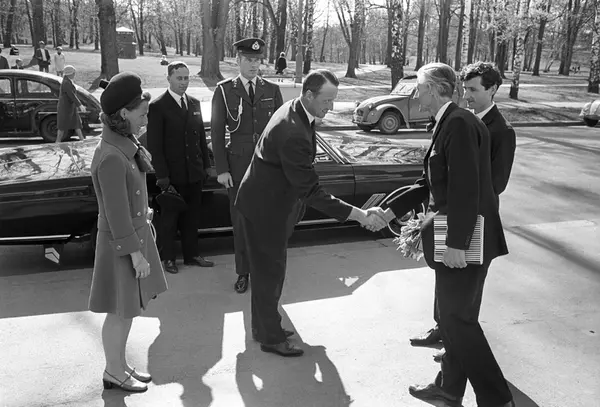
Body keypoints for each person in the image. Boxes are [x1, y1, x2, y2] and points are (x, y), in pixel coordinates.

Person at [380, 62, 514, 407]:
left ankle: (497, 399)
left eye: (419, 87)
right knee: (452, 320)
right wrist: (388, 211)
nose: (415, 93)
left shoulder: (459, 123)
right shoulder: (449, 121)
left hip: (463, 240)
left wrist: (456, 244)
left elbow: (467, 188)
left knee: (457, 320)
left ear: (434, 89)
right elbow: (431, 182)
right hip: (457, 236)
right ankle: (450, 389)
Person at [235, 69, 388, 358]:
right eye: (327, 101)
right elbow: (311, 191)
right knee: (269, 275)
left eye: (333, 99)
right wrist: (359, 214)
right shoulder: (293, 131)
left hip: (266, 203)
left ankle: (264, 327)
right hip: (265, 210)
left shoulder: (297, 109)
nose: (331, 106)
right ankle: (270, 337)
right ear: (308, 95)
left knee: (268, 272)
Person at [410, 62, 517, 364]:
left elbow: (490, 185)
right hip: (454, 219)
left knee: (463, 307)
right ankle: (445, 338)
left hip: (473, 225)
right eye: (465, 88)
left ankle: (459, 352)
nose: (467, 95)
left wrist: (459, 233)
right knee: (449, 296)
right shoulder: (457, 120)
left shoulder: (497, 130)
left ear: (492, 90)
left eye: (473, 89)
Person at [89, 71, 168, 393]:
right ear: (124, 113)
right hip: (122, 246)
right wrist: (137, 256)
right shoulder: (111, 155)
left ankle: (119, 364)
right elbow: (117, 215)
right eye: (142, 113)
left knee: (128, 311)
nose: (146, 119)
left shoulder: (122, 145)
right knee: (120, 312)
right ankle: (113, 370)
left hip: (131, 240)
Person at [211, 37, 283, 294]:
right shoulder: (224, 91)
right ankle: (243, 271)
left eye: (258, 60)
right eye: (249, 60)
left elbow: (281, 130)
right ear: (238, 60)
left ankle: (264, 269)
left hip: (267, 165)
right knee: (241, 221)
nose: (254, 65)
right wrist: (222, 169)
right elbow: (217, 133)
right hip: (238, 165)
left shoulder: (271, 90)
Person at [147, 61, 214, 274]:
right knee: (170, 219)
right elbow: (155, 145)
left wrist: (206, 166)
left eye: (186, 78)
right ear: (169, 78)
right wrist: (162, 176)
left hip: (194, 172)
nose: (183, 82)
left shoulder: (194, 103)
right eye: (179, 78)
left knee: (192, 217)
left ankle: (192, 255)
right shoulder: (158, 106)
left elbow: (201, 138)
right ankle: (168, 259)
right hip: (172, 175)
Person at [56, 65, 86, 143]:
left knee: (76, 124)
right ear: (70, 73)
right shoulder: (66, 82)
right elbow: (71, 95)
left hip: (71, 107)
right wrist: (80, 105)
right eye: (73, 73)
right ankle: (57, 142)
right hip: (65, 108)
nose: (74, 74)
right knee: (62, 127)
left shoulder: (68, 81)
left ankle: (82, 140)